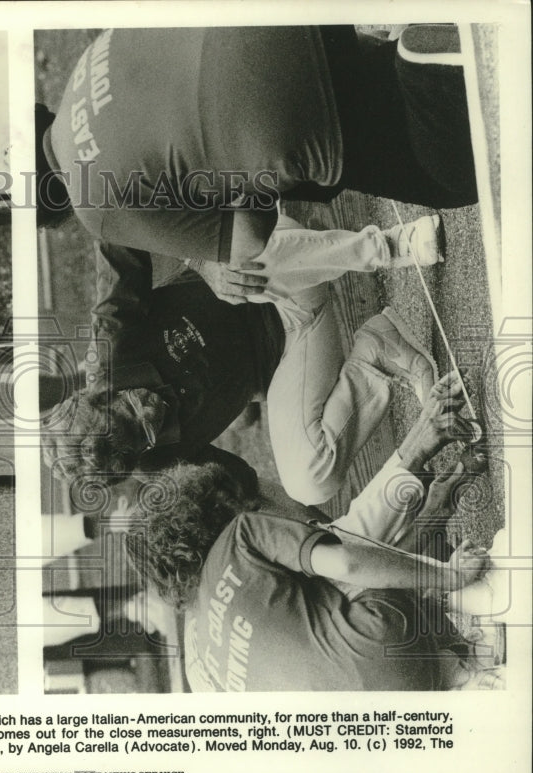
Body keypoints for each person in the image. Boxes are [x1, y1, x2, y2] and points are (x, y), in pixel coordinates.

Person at [35, 25, 475, 296]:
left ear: (49, 212)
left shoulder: (94, 210)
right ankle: (419, 61)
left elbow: (247, 241)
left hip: (294, 122)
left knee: (453, 179)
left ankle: (430, 75)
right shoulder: (85, 62)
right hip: (303, 28)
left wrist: (237, 183)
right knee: (379, 87)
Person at [124, 372, 496, 691]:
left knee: (309, 621)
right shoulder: (235, 538)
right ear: (208, 517)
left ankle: (459, 660)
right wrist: (447, 573)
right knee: (333, 568)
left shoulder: (197, 672)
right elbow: (349, 560)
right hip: (389, 647)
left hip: (377, 733)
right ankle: (433, 485)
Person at [42, 240, 475, 506]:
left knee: (248, 250)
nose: (152, 413)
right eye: (146, 435)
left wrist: (201, 255)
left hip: (269, 277)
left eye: (132, 407)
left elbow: (116, 222)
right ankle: (378, 349)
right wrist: (314, 541)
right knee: (310, 481)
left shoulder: (113, 340)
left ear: (100, 390)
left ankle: (389, 244)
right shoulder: (155, 464)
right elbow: (245, 487)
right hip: (298, 343)